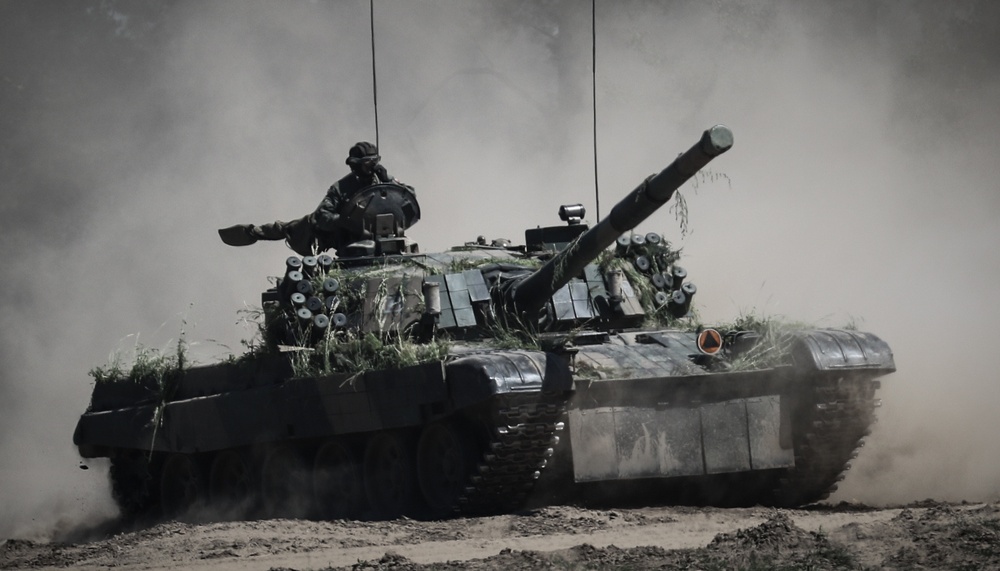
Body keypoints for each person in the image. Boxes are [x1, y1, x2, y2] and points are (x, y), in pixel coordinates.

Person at [221, 142, 407, 256]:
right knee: (295, 227)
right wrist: (345, 221)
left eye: (373, 163)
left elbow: (409, 201)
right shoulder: (342, 189)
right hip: (350, 243)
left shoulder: (383, 183)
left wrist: (388, 180)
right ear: (355, 166)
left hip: (387, 242)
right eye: (366, 164)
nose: (371, 168)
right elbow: (321, 217)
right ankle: (254, 232)